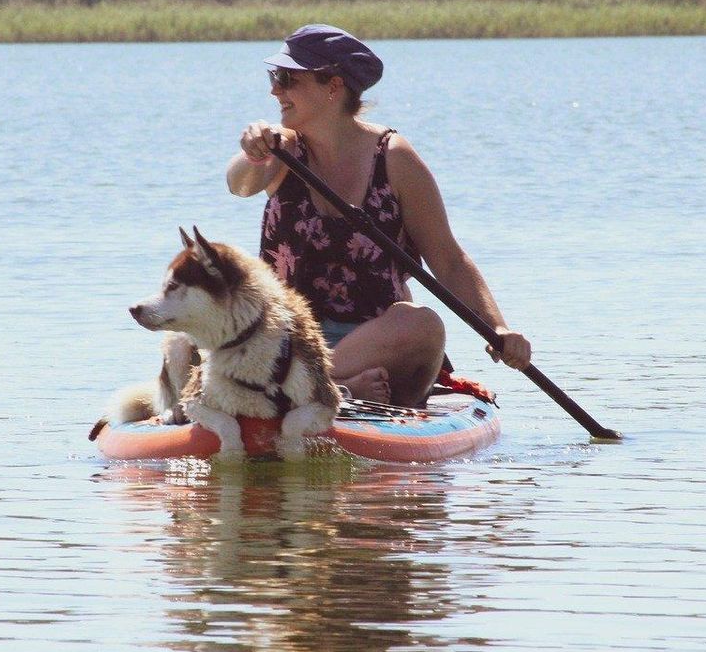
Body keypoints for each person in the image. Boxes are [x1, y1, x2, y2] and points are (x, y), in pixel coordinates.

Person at [227, 24, 531, 407]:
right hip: (288, 339)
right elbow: (239, 184)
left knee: (423, 324)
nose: (275, 90)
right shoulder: (281, 147)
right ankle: (332, 387)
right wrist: (255, 152)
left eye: (288, 79)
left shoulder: (395, 158)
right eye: (275, 77)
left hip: (375, 344)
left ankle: (306, 386)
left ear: (333, 86)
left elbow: (449, 260)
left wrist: (497, 327)